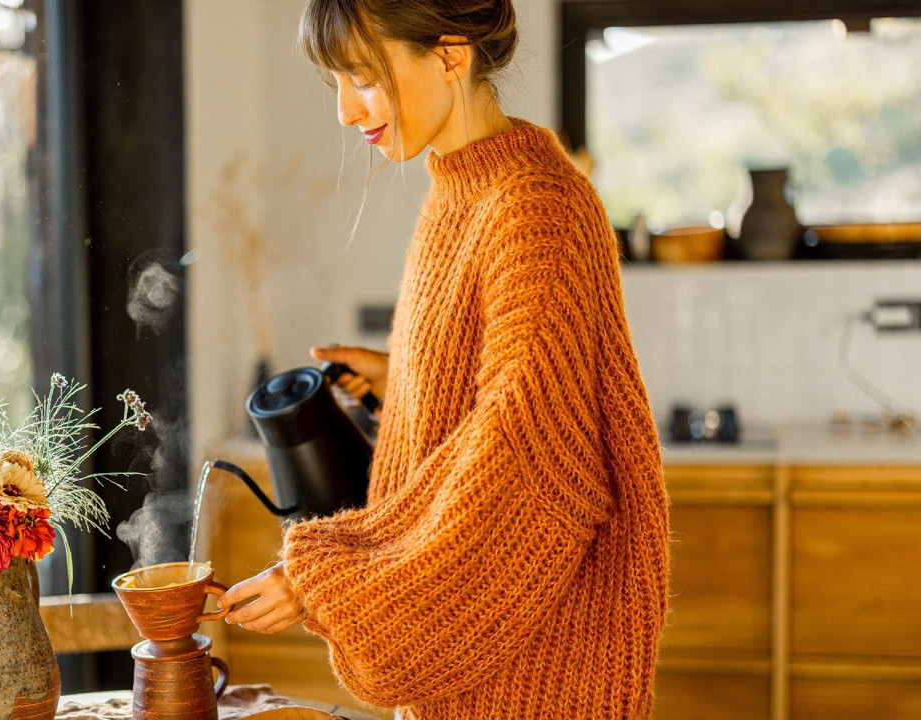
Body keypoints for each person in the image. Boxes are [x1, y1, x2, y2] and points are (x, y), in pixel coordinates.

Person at [216, 1, 669, 718]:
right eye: (335, 82)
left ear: (450, 54)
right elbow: (512, 394)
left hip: (533, 680)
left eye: (362, 77)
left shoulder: (534, 206)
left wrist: (325, 577)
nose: (344, 111)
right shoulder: (462, 186)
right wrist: (412, 379)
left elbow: (528, 464)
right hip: (479, 671)